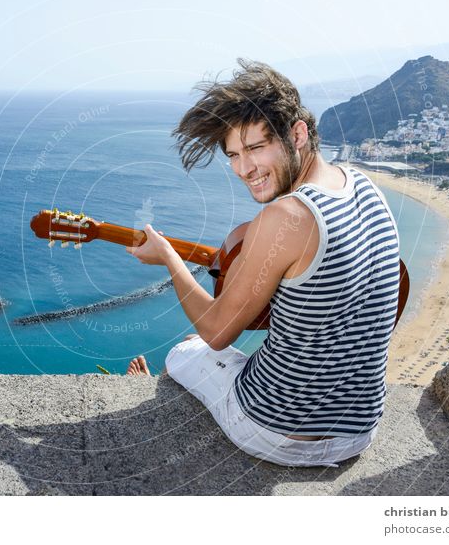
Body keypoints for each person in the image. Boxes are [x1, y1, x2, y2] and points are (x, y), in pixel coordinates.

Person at [125, 59, 401, 468]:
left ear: (298, 134)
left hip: (278, 433)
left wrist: (167, 256)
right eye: (233, 155)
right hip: (360, 431)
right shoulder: (365, 186)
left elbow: (217, 332)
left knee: (187, 351)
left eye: (255, 148)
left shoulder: (285, 217)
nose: (243, 169)